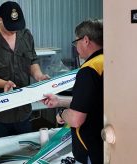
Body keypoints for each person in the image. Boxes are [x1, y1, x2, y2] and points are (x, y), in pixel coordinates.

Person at [0, 1, 49, 139]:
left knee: (26, 148)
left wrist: (38, 75)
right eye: (10, 26)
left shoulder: (26, 35)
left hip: (23, 108)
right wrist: (3, 84)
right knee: (2, 152)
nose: (14, 30)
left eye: (17, 26)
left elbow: (32, 60)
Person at [42, 19, 103, 163]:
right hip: (106, 146)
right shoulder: (108, 61)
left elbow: (76, 119)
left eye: (76, 41)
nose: (76, 46)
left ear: (86, 40)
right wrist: (59, 101)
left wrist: (62, 113)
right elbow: (91, 102)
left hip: (91, 150)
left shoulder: (88, 70)